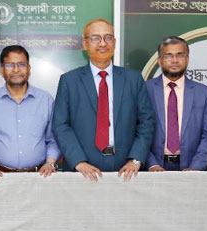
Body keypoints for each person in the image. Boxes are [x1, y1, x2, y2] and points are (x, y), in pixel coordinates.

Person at [52, 18, 155, 182]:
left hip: (127, 170)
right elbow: (61, 125)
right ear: (85, 44)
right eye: (95, 38)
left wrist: (136, 159)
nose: (102, 43)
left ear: (114, 43)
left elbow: (146, 122)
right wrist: (78, 161)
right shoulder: (69, 81)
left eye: (108, 38)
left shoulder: (133, 80)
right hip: (82, 171)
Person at [0, 45, 60, 179]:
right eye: (10, 65)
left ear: (29, 69)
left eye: (21, 64)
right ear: (2, 70)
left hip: (39, 177)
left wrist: (50, 163)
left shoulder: (46, 100)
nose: (16, 70)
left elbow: (53, 139)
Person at [145, 36, 207, 172]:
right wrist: (151, 164)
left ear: (187, 59)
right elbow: (137, 131)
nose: (175, 60)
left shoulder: (203, 93)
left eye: (180, 55)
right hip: (153, 168)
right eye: (168, 56)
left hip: (190, 168)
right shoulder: (145, 89)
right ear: (159, 61)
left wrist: (195, 167)